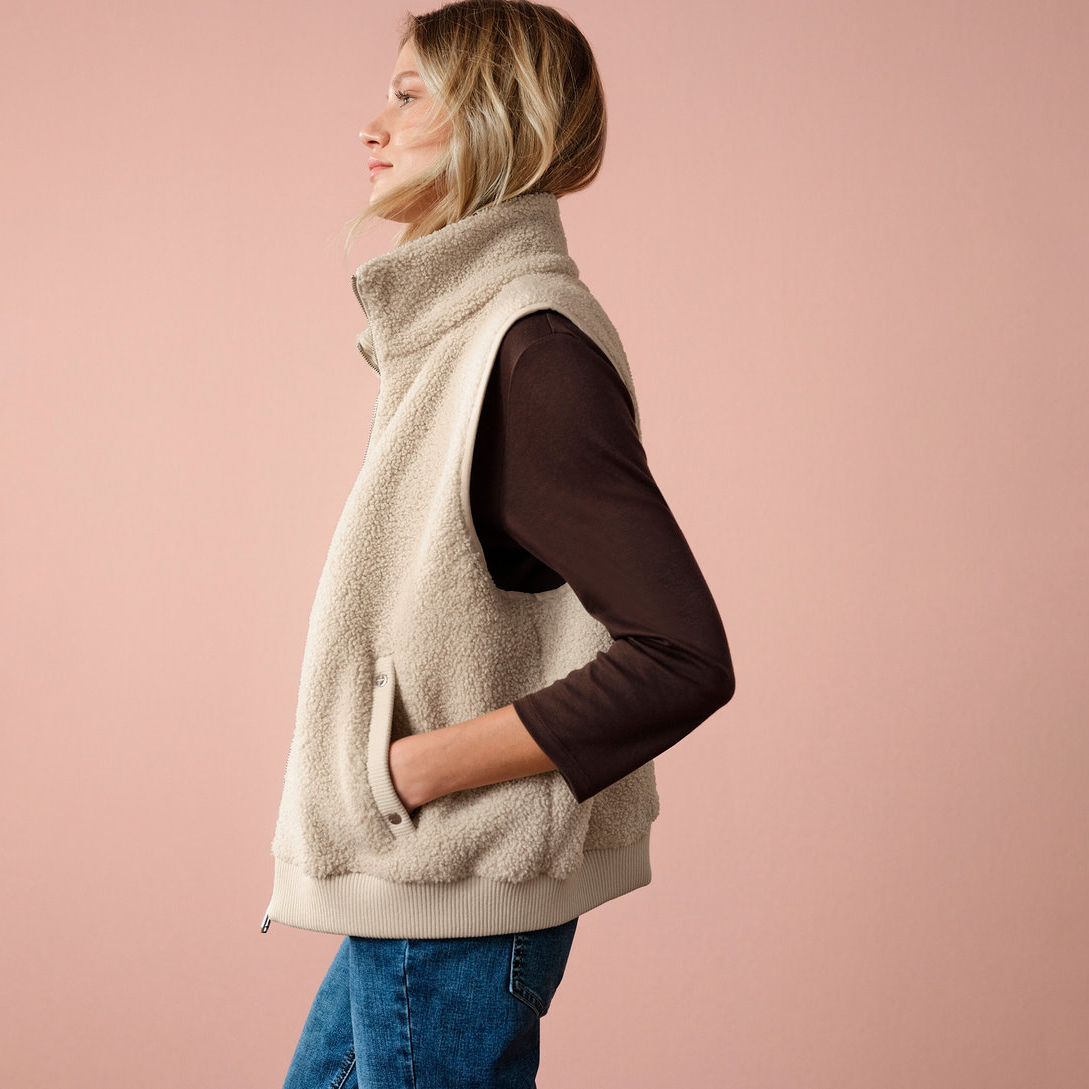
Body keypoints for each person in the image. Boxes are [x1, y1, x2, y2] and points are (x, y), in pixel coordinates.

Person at [264, 2, 735, 1085]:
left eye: (407, 93)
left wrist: (413, 767)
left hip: (453, 896)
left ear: (493, 118)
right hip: (426, 892)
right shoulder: (470, 334)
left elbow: (682, 657)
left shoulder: (529, 349)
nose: (371, 126)